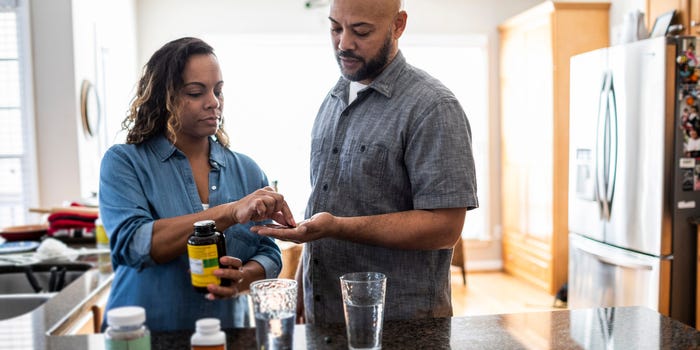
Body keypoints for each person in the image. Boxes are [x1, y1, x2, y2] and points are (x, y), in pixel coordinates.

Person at [252, 0, 478, 324]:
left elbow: (445, 228)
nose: (344, 43)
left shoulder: (434, 107)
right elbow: (324, 198)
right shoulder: (332, 99)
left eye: (360, 31)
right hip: (324, 318)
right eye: (335, 28)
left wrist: (337, 227)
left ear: (398, 25)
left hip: (401, 328)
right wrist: (304, 280)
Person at [99, 37, 296, 331]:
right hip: (144, 337)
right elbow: (135, 244)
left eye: (218, 91)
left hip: (225, 334)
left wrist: (242, 277)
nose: (213, 102)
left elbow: (268, 251)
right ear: (164, 97)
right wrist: (229, 213)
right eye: (195, 92)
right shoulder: (124, 162)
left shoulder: (248, 170)